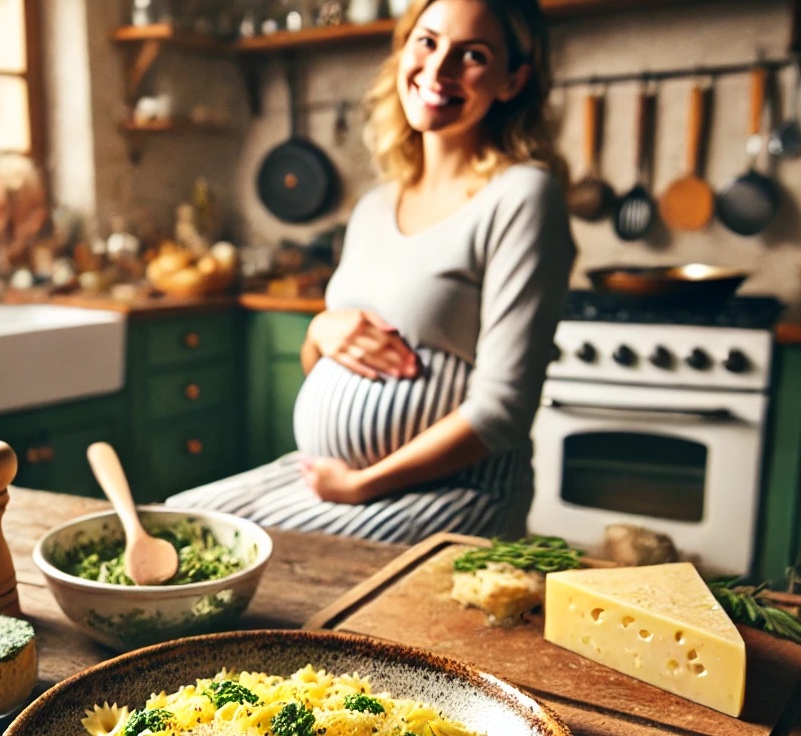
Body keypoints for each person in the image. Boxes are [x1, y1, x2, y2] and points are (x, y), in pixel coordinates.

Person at [166, 0, 576, 544]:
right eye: (427, 42)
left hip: (454, 491)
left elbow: (502, 412)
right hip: (329, 476)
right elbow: (325, 362)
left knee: (216, 550)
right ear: (403, 50)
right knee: (169, 522)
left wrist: (361, 484)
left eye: (473, 55)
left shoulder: (522, 195)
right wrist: (319, 330)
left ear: (512, 80)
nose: (439, 69)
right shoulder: (375, 206)